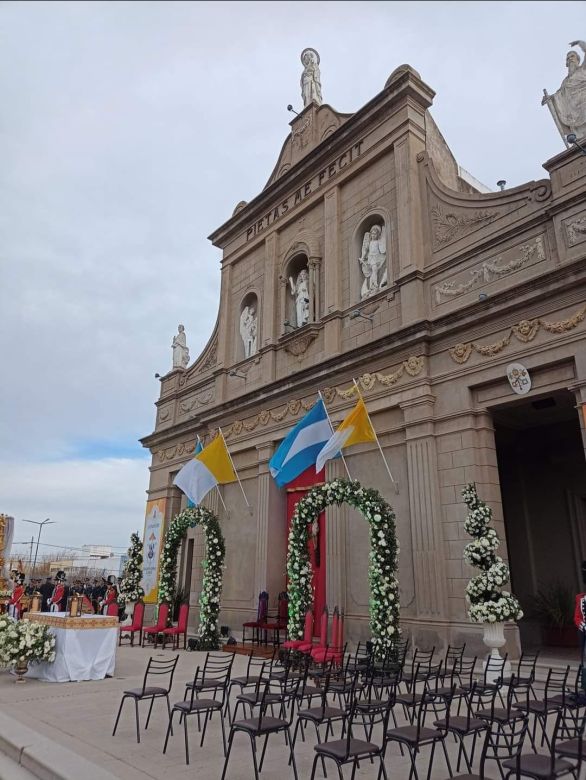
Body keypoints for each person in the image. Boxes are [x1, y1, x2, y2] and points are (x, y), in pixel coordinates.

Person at [543, 40, 586, 140]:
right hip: (573, 113)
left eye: (572, 56)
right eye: (568, 58)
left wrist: (580, 43)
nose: (570, 59)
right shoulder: (565, 82)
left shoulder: (583, 69)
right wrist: (550, 98)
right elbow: (560, 94)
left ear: (578, 60)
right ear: (566, 63)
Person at [358, 224, 387, 299]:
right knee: (373, 271)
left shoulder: (378, 242)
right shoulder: (370, 243)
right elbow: (365, 250)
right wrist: (363, 258)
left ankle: (373, 286)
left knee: (374, 272)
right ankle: (374, 285)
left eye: (375, 234)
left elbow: (382, 249)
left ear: (378, 235)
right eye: (372, 234)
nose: (373, 235)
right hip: (371, 259)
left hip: (377, 258)